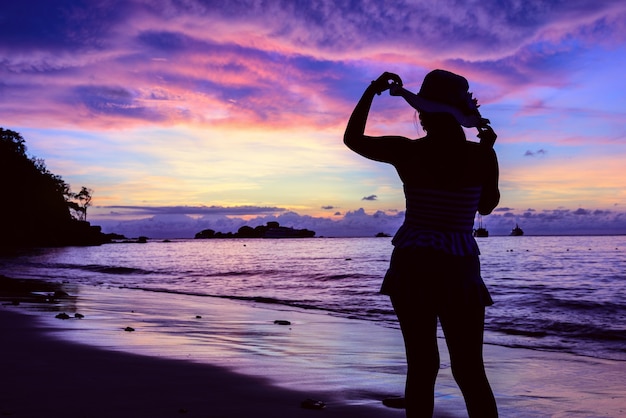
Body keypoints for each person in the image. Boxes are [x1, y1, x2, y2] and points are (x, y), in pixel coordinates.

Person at [344, 69, 500, 418]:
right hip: (459, 266)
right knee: (470, 370)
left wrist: (372, 91)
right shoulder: (480, 156)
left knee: (422, 366)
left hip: (412, 263)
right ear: (462, 114)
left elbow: (352, 139)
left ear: (423, 113)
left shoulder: (406, 151)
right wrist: (487, 153)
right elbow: (486, 207)